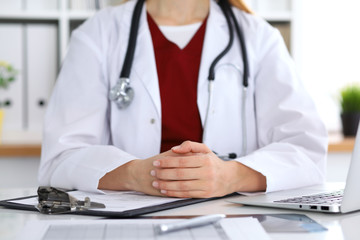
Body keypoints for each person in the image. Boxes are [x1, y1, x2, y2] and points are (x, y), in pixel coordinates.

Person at [38, 0, 327, 198]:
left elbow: (306, 150)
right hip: (129, 221)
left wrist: (231, 176)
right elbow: (61, 157)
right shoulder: (98, 34)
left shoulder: (259, 37)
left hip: (233, 218)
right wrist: (137, 174)